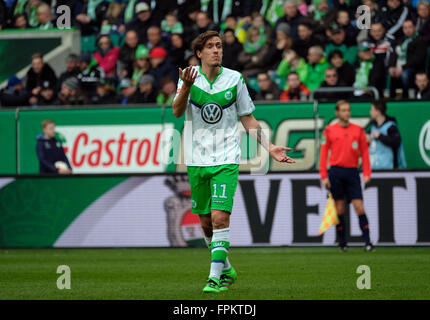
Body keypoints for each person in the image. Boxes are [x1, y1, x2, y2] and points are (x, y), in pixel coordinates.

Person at [172, 31, 295, 293]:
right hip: (196, 159)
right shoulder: (188, 78)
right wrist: (186, 87)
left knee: (219, 218)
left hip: (227, 158)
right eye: (211, 47)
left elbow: (248, 120)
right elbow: (177, 111)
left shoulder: (235, 79)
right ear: (199, 53)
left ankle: (214, 278)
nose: (217, 50)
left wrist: (270, 147)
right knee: (205, 223)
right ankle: (226, 268)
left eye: (219, 46)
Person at [319, 100, 374, 252]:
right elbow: (323, 155)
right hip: (336, 172)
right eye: (343, 110)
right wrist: (324, 175)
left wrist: (367, 173)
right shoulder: (329, 131)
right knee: (340, 208)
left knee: (359, 207)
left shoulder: (358, 131)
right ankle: (343, 243)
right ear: (337, 112)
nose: (347, 113)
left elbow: (365, 153)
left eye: (348, 110)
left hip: (352, 173)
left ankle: (368, 242)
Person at [367, 100, 406, 170]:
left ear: (378, 111)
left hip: (388, 168)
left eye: (372, 110)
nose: (370, 112)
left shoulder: (391, 127)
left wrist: (380, 136)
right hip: (374, 167)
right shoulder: (372, 127)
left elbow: (396, 142)